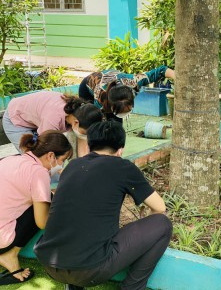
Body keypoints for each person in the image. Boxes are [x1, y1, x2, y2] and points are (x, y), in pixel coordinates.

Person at [34, 121, 172, 290]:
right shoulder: (123, 166)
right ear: (120, 149)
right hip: (90, 271)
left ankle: (72, 286)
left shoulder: (73, 166)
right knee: (162, 224)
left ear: (89, 146)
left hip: (49, 263)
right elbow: (159, 207)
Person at [0, 131, 73, 286]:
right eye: (63, 160)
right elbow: (42, 223)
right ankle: (10, 255)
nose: (62, 165)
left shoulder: (12, 159)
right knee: (47, 203)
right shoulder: (38, 172)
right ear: (51, 155)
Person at [2, 91, 103, 153]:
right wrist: (60, 171)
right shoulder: (53, 119)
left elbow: (82, 145)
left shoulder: (80, 112)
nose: (85, 136)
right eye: (84, 133)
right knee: (33, 155)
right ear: (76, 123)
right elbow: (44, 150)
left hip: (35, 118)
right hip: (15, 119)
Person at [79, 65, 175, 122]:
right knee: (91, 121)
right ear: (112, 106)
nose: (124, 113)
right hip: (87, 87)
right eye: (121, 111)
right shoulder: (101, 96)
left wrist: (177, 77)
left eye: (127, 110)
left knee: (116, 125)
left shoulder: (134, 82)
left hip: (113, 83)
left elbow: (161, 70)